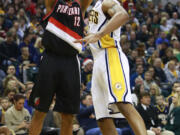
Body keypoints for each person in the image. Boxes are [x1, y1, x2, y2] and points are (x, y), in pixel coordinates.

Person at [75, 0, 147, 135]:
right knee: (102, 117)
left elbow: (123, 15)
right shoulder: (96, 6)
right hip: (98, 61)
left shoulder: (107, 2)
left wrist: (99, 34)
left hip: (110, 55)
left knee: (124, 105)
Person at [28, 0, 93, 135]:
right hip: (50, 58)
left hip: (71, 62)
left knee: (68, 115)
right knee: (40, 110)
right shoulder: (53, 3)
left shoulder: (80, 5)